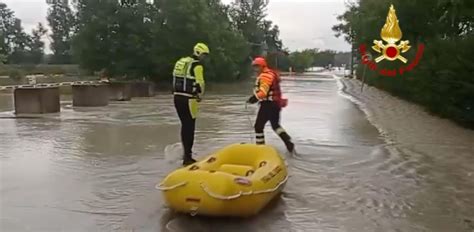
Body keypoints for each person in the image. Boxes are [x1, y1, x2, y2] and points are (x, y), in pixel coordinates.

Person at [246, 56, 295, 154]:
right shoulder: (271, 73)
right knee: (275, 125)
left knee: (258, 127)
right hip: (276, 104)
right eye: (254, 67)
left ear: (262, 66)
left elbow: (263, 92)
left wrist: (254, 98)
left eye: (257, 66)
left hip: (268, 105)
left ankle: (260, 149)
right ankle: (288, 142)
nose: (255, 69)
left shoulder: (265, 76)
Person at [172, 43, 210, 166]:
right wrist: (200, 96)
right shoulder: (197, 65)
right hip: (189, 99)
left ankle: (186, 154)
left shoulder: (181, 62)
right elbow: (200, 83)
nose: (204, 58)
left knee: (184, 125)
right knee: (190, 127)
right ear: (198, 53)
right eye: (204, 55)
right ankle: (187, 158)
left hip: (177, 97)